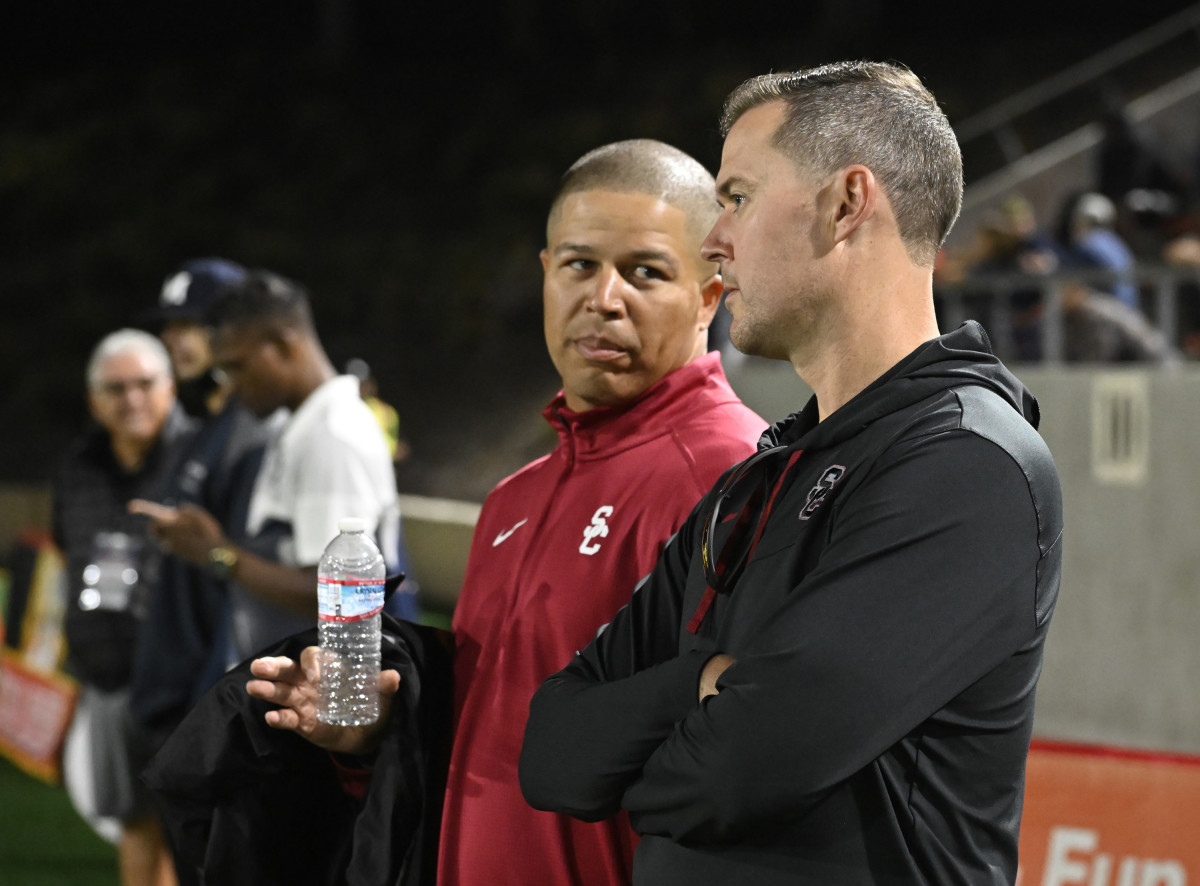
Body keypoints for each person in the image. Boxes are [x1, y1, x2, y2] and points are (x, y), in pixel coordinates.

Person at [518, 62, 1064, 886]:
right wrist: (700, 685)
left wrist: (654, 755)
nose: (713, 238)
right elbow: (554, 753)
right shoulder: (764, 475)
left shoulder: (970, 463)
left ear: (848, 204)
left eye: (736, 196)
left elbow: (738, 770)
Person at [195, 139, 766, 885]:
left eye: (646, 272)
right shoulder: (514, 496)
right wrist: (365, 734)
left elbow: (752, 765)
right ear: (545, 275)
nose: (605, 298)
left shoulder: (732, 476)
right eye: (580, 265)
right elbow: (481, 737)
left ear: (709, 296)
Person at [130, 267, 414, 664]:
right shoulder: (299, 425)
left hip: (336, 703)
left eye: (237, 366)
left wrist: (220, 556)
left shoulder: (333, 435)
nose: (230, 382)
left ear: (283, 346)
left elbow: (349, 595)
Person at [52, 328, 194, 886]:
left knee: (193, 828)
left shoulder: (198, 458)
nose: (131, 398)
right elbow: (67, 547)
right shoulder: (77, 465)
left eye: (144, 384)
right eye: (115, 388)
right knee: (133, 821)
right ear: (93, 399)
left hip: (186, 682)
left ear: (171, 388)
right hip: (109, 678)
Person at [128, 258, 277, 748]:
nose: (174, 338)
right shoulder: (210, 424)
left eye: (190, 323)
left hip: (206, 705)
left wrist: (212, 708)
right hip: (175, 698)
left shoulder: (254, 433)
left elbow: (245, 583)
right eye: (170, 326)